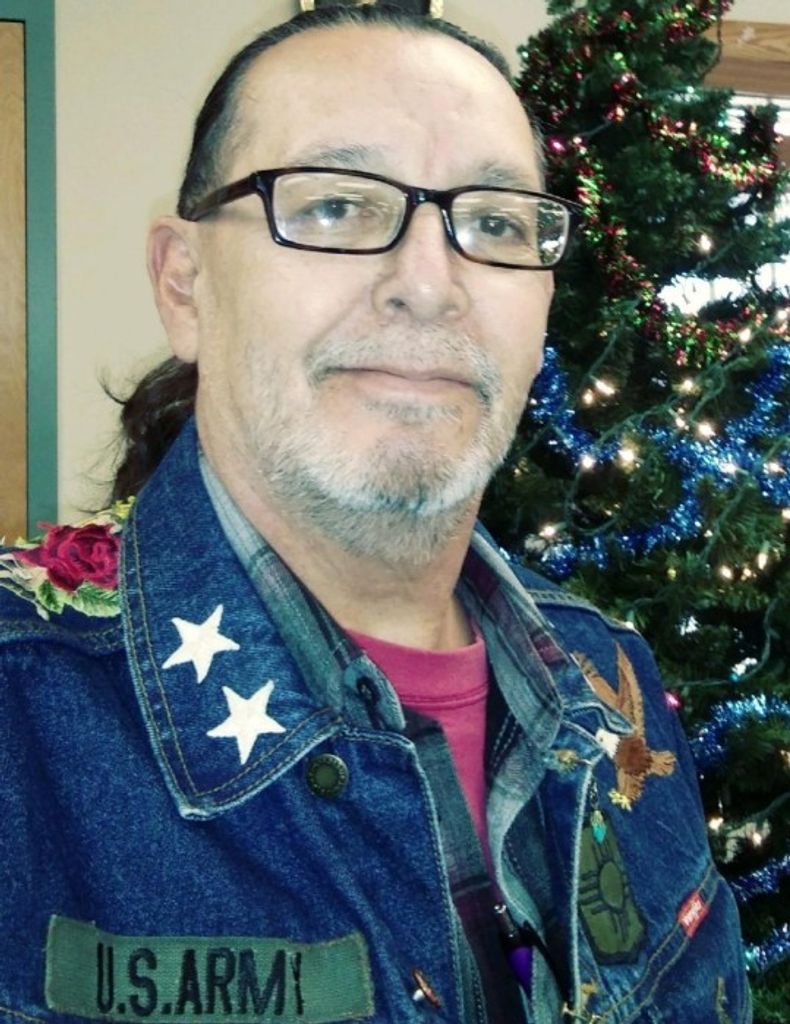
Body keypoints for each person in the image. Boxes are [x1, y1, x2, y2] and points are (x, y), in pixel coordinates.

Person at [0, 5, 751, 1023]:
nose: (428, 284)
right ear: (184, 285)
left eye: (495, 223)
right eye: (337, 206)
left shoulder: (613, 678)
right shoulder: (24, 711)